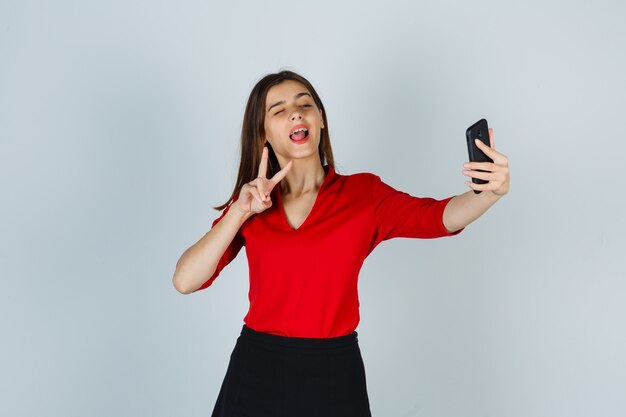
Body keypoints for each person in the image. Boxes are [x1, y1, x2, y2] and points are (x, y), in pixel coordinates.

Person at [172, 70, 510, 417]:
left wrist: (488, 194)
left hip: (333, 371)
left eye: (305, 104)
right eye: (278, 110)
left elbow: (438, 216)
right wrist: (239, 211)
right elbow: (185, 280)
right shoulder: (253, 204)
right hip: (256, 366)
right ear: (264, 134)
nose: (296, 112)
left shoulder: (363, 195)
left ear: (320, 120)